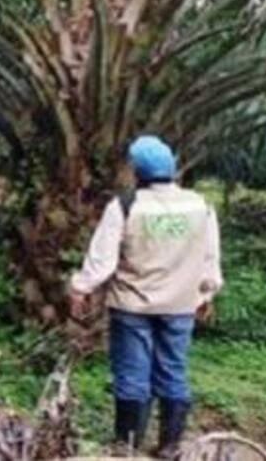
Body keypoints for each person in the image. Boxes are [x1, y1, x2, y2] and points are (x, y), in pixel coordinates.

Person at [68, 135, 223, 458]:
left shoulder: (125, 206)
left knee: (132, 373)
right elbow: (210, 258)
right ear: (172, 169)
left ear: (136, 171)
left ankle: (127, 445)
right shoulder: (199, 205)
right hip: (181, 305)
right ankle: (169, 445)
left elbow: (102, 261)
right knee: (173, 369)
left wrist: (80, 288)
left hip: (132, 306)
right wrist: (207, 293)